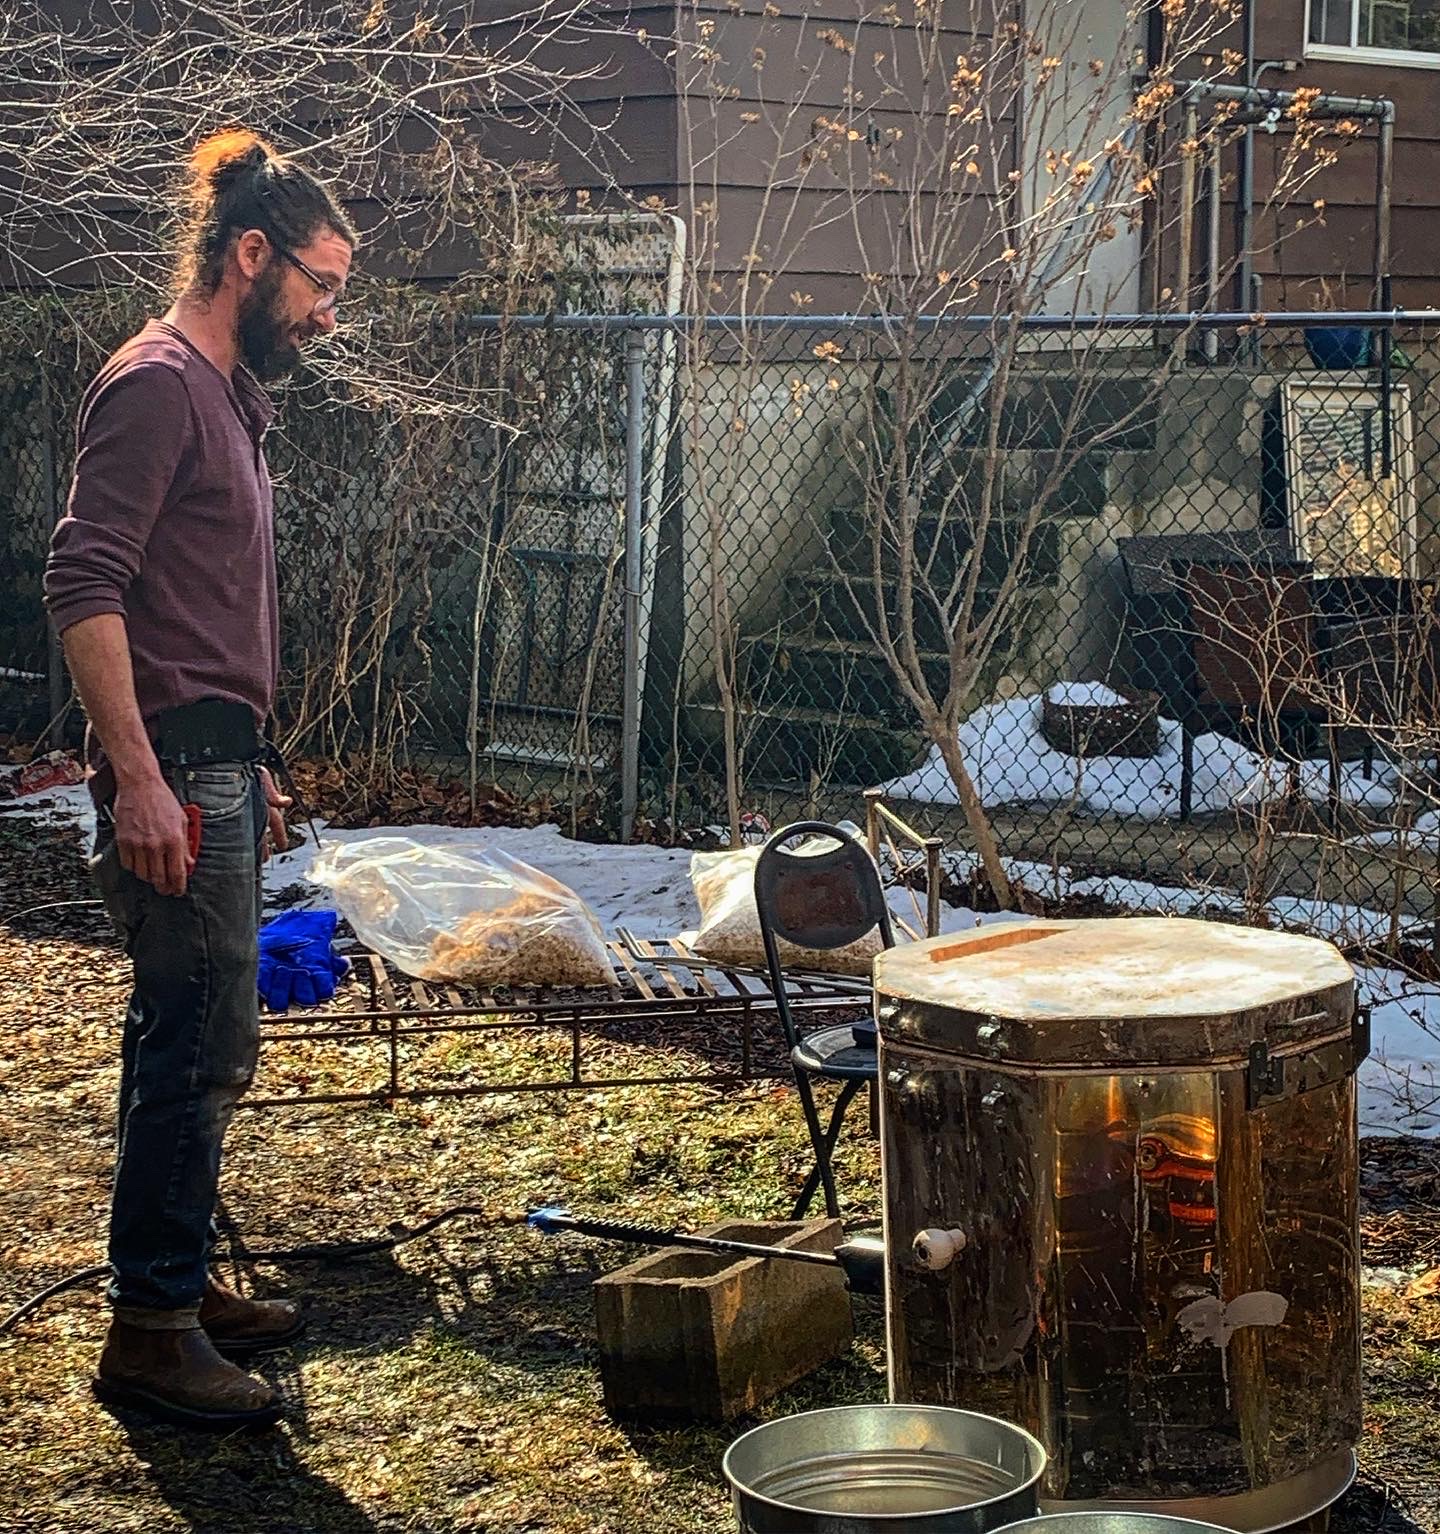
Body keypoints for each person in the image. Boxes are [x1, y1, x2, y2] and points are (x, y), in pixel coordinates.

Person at [43, 129, 357, 1430]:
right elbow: (84, 583)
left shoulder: (229, 393)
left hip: (219, 765)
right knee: (189, 1043)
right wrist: (140, 779)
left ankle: (176, 1283)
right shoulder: (158, 384)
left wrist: (255, 756)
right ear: (249, 255)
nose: (330, 317)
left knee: (213, 1037)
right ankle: (151, 1331)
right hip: (169, 775)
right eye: (319, 287)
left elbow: (207, 604)